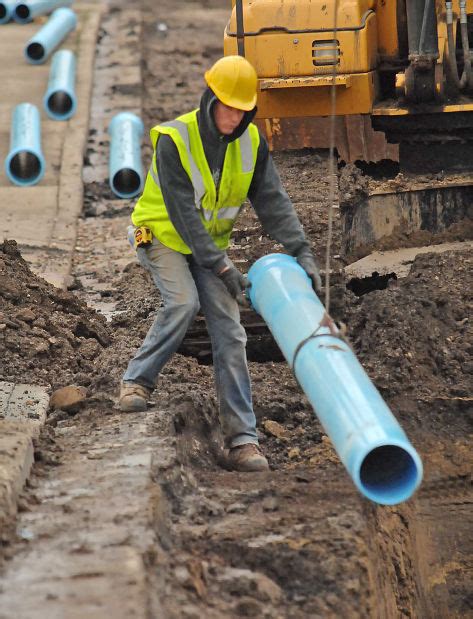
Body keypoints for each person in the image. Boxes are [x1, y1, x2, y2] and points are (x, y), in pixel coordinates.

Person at [119, 55, 322, 472]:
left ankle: (242, 441)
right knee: (183, 304)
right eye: (227, 107)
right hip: (162, 236)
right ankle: (136, 381)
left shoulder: (251, 143)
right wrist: (224, 267)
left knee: (231, 334)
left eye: (242, 110)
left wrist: (301, 250)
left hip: (207, 249)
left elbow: (272, 202)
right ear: (209, 98)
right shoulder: (174, 140)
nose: (233, 116)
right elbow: (182, 214)